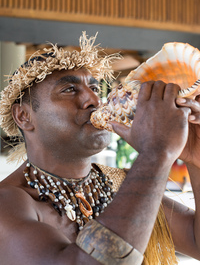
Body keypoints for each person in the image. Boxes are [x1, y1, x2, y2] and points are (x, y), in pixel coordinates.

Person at [0, 32, 200, 265]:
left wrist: (195, 159)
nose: (94, 99)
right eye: (69, 90)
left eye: (94, 87)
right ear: (23, 116)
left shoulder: (120, 184)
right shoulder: (8, 203)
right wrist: (156, 151)